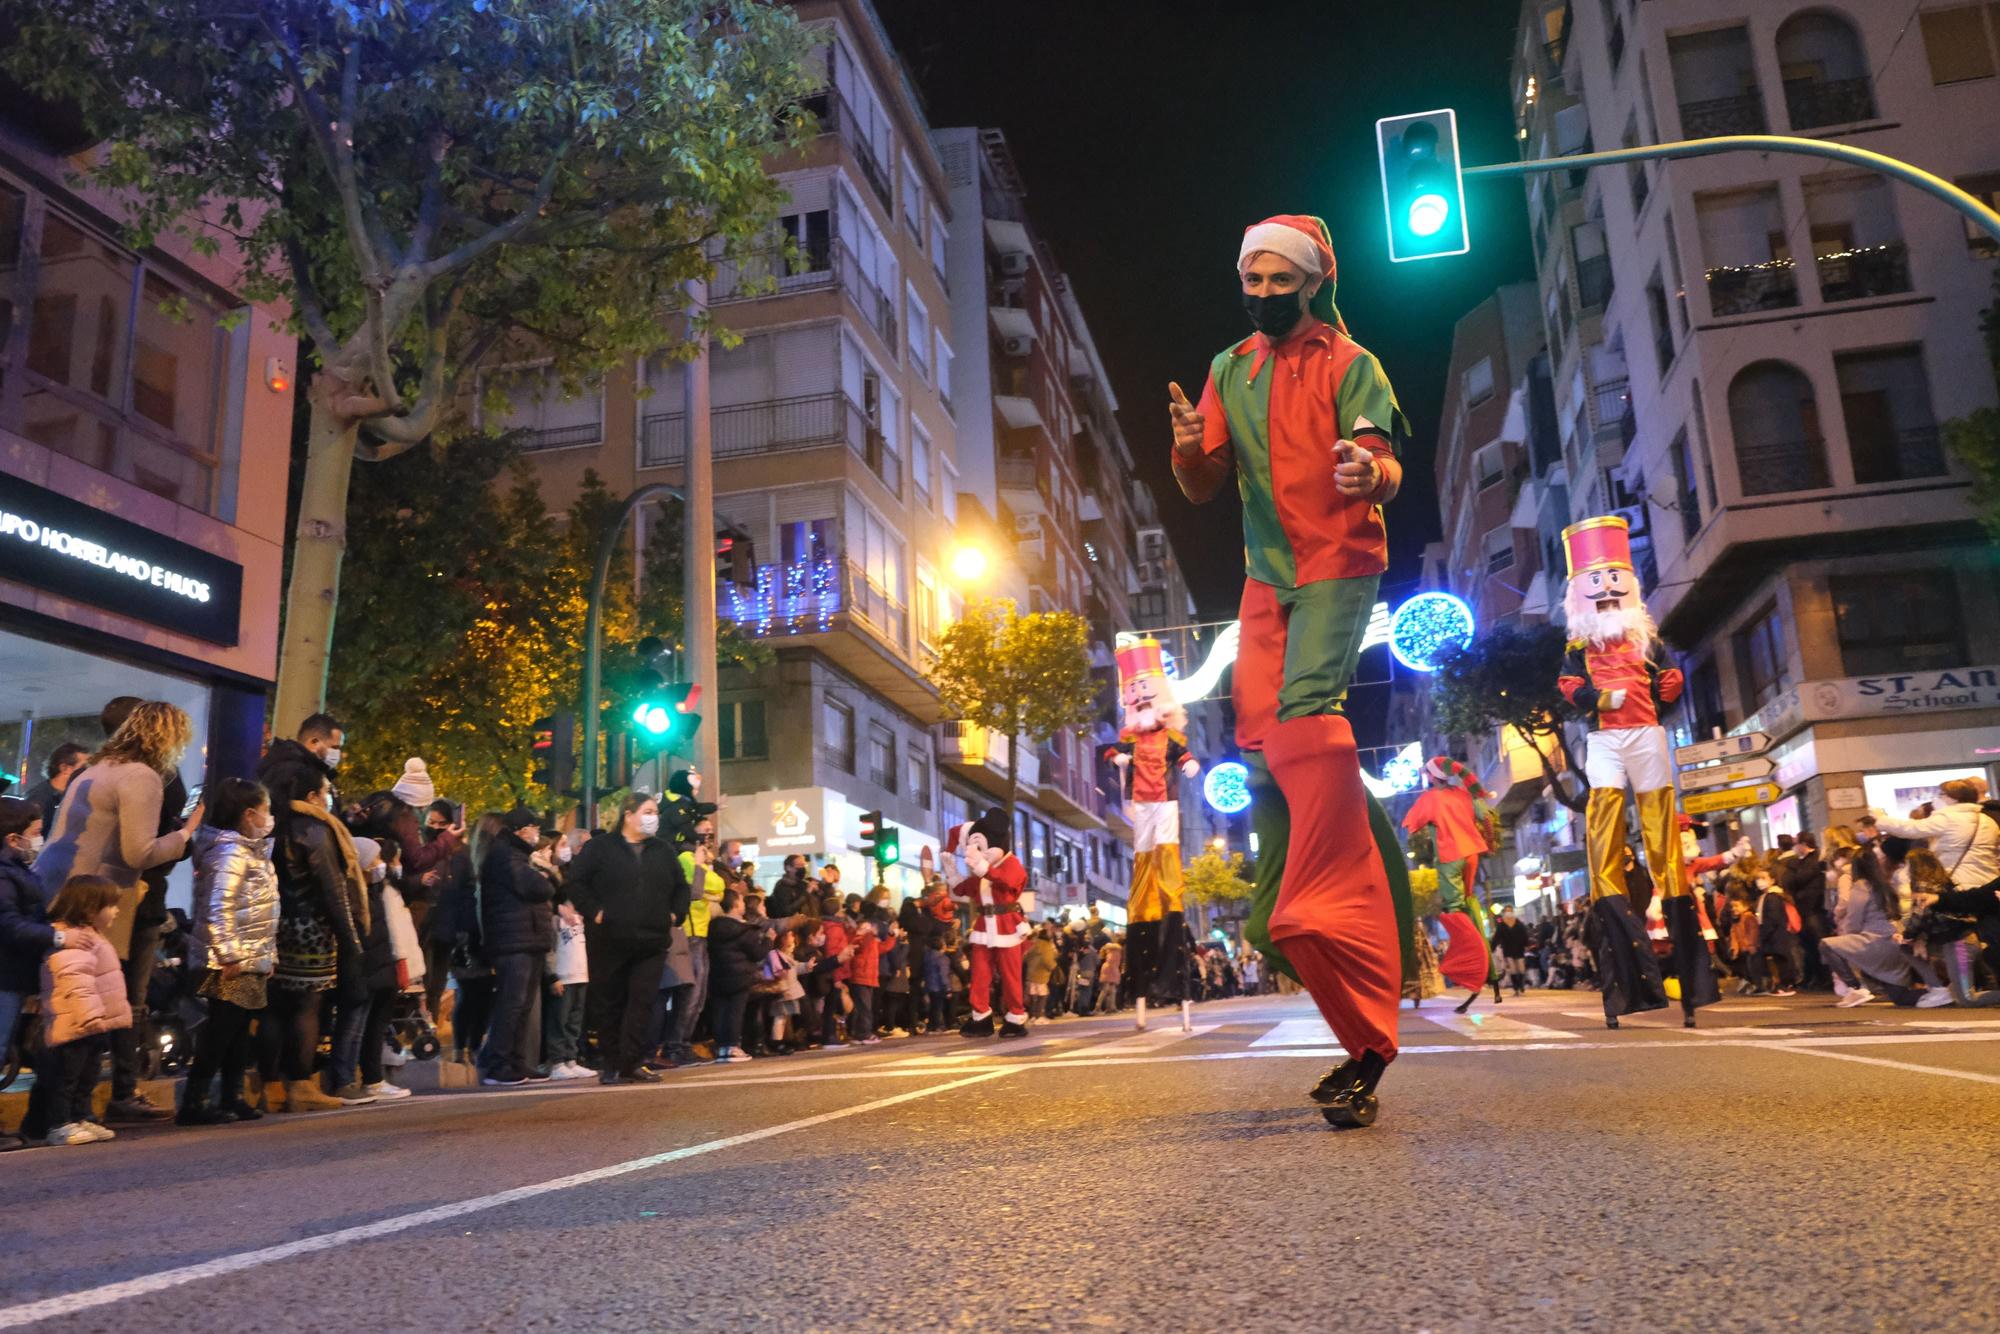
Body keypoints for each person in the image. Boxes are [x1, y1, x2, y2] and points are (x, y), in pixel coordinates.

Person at [1171, 213, 1414, 1127]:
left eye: (1282, 280)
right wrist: (1190, 448)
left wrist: (1369, 475)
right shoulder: (1230, 368)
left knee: (1310, 722)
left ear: (1312, 281)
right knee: (1264, 741)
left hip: (1340, 562)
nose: (1266, 294)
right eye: (1254, 281)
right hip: (1267, 574)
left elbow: (1379, 458)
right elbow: (1201, 482)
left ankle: (1326, 914)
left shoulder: (1355, 362)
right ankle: (1302, 909)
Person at [35, 698, 204, 1123]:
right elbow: (139, 850)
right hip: (96, 901)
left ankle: (57, 1113)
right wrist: (185, 833)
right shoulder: (142, 776)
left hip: (60, 891)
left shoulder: (95, 770)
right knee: (95, 1010)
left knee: (66, 1003)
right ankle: (65, 1116)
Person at [264, 761, 365, 1113]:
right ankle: (301, 1084)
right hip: (310, 928)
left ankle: (270, 1085)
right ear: (311, 796)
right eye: (325, 793)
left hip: (276, 924)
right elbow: (333, 890)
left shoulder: (271, 823)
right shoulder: (316, 830)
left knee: (274, 1007)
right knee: (307, 1006)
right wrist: (351, 937)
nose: (328, 800)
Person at [566, 793, 688, 1084]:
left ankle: (633, 1062)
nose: (654, 817)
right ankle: (611, 1063)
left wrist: (674, 915)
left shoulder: (662, 850)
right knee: (609, 1003)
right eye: (648, 811)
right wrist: (595, 912)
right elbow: (576, 882)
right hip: (609, 939)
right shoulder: (600, 848)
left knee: (642, 1002)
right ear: (628, 815)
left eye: (655, 812)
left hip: (651, 941)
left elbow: (681, 887)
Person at [178, 778, 279, 1126]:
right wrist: (230, 954)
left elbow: (262, 912)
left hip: (250, 957)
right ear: (249, 814)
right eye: (265, 811)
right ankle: (196, 1100)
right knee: (221, 1031)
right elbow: (219, 907)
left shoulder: (251, 851)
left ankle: (231, 1097)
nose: (270, 817)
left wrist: (268, 956)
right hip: (228, 961)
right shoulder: (230, 853)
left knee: (237, 1031)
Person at [32, 876, 131, 1146]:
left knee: (88, 1074)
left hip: (92, 1024)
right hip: (76, 1023)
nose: (117, 911)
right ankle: (60, 1124)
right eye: (111, 906)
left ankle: (80, 1116)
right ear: (89, 909)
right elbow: (76, 981)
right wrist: (90, 1016)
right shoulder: (75, 940)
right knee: (66, 1077)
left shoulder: (91, 936)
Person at [475, 808, 555, 1086]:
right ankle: (500, 1065)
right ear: (521, 830)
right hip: (513, 940)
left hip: (526, 938)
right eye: (534, 827)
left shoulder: (518, 855)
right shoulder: (507, 854)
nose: (537, 834)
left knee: (522, 1004)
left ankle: (518, 1061)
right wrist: (545, 875)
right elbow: (537, 888)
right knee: (512, 1003)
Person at [0, 796, 55, 1150]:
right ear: (12, 838)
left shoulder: (17, 872)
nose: (39, 840)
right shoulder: (5, 875)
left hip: (13, 975)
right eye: (35, 833)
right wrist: (58, 935)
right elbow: (9, 925)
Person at [1874, 780, 2000, 889]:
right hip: (1989, 879)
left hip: (1959, 880)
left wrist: (1881, 818)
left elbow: (1912, 829)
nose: (1938, 798)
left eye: (1942, 794)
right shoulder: (1986, 820)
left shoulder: (1948, 818)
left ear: (1954, 798)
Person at [543, 861, 592, 1080]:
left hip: (581, 974)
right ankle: (557, 1062)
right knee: (559, 1021)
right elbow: (549, 950)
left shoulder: (581, 918)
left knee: (575, 1020)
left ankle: (571, 1059)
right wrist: (553, 976)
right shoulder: (555, 919)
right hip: (563, 975)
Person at [702, 888, 763, 1063]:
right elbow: (757, 953)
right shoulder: (742, 929)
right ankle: (732, 1046)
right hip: (739, 976)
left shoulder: (713, 927)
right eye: (742, 901)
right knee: (735, 1012)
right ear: (736, 904)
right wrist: (768, 940)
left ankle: (722, 1048)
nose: (743, 904)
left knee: (720, 1011)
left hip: (718, 975)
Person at [1755, 862, 1799, 998]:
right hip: (1776, 935)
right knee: (1778, 960)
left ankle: (1784, 986)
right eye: (1758, 878)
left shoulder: (1772, 897)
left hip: (1775, 935)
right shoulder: (1768, 896)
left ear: (1772, 880)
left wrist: (1764, 933)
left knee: (1781, 961)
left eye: (1763, 878)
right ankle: (1780, 985)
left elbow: (1772, 918)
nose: (1759, 881)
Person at [22, 742, 87, 831]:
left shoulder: (69, 796)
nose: (89, 772)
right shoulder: (39, 799)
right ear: (64, 768)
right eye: (84, 767)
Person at [1493, 907, 1531, 996]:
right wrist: (1492, 947)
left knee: (1521, 969)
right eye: (1507, 911)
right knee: (1513, 970)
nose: (1509, 913)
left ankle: (1521, 985)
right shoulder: (1502, 925)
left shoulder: (1519, 924)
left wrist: (1526, 945)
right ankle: (1516, 988)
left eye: (1510, 911)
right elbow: (1497, 937)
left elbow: (1525, 935)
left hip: (1519, 950)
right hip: (1508, 950)